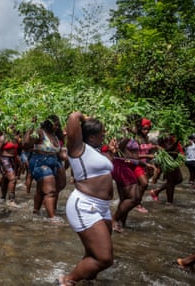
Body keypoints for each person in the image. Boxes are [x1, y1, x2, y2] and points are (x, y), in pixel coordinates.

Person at [58, 112, 114, 285]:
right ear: (91, 135)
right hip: (84, 205)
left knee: (94, 253)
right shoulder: (77, 148)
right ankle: (66, 281)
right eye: (101, 132)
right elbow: (73, 117)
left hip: (102, 207)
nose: (104, 134)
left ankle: (87, 280)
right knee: (104, 258)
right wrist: (84, 117)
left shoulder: (95, 151)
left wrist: (111, 151)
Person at [107, 138, 155, 232]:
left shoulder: (135, 137)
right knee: (135, 198)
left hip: (128, 165)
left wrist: (141, 163)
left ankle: (121, 222)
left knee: (125, 199)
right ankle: (114, 219)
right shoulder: (122, 137)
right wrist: (126, 137)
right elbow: (122, 157)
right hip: (122, 166)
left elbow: (130, 159)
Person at [23, 115, 64, 223]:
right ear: (49, 123)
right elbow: (26, 143)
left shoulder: (55, 135)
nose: (57, 127)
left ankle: (36, 211)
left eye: (58, 125)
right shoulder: (40, 133)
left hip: (54, 162)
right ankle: (52, 217)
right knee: (50, 190)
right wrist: (31, 125)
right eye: (55, 125)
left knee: (53, 187)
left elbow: (60, 153)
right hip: (40, 162)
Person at [149, 134, 184, 205]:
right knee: (170, 182)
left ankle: (156, 191)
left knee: (179, 179)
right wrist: (177, 141)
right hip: (168, 163)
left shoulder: (172, 138)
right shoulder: (166, 137)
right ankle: (169, 202)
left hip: (174, 162)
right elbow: (167, 149)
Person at [0, 125, 20, 207]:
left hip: (13, 159)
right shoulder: (4, 138)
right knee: (13, 179)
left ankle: (2, 197)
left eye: (14, 126)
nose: (13, 128)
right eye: (11, 127)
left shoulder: (15, 138)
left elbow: (18, 150)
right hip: (4, 159)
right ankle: (11, 200)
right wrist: (0, 162)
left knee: (6, 179)